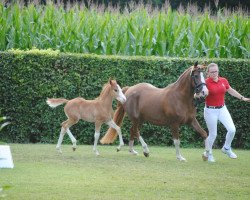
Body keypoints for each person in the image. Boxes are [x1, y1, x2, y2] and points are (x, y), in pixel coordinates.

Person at [202, 63, 250, 162]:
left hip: (222, 109)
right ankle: (209, 153)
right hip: (210, 111)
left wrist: (242, 98)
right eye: (212, 72)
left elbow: (230, 90)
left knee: (232, 129)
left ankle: (226, 148)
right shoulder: (205, 83)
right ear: (208, 73)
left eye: (216, 71)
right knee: (213, 134)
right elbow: (198, 93)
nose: (215, 73)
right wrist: (198, 95)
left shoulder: (223, 80)